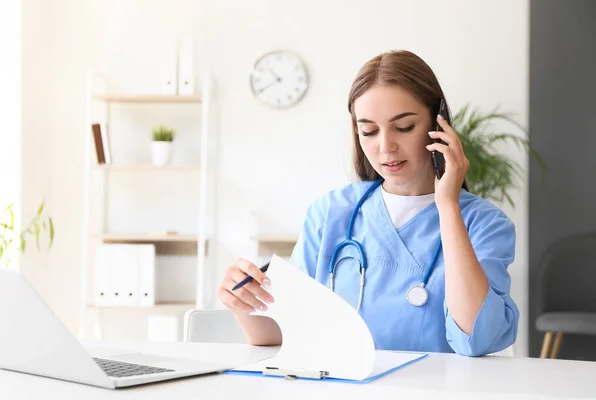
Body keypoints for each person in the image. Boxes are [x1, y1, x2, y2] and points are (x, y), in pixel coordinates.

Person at [217, 50, 519, 357]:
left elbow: (477, 339)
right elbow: (287, 331)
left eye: (404, 127)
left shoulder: (483, 224)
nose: (385, 147)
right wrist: (242, 302)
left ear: (437, 124)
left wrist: (448, 207)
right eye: (369, 131)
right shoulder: (330, 213)